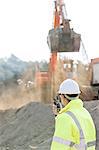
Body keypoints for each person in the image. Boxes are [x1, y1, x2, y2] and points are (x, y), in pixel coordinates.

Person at [51, 79, 96, 150]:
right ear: (78, 95)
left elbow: (59, 147)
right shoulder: (85, 113)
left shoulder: (64, 118)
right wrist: (58, 117)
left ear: (63, 96)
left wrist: (60, 117)